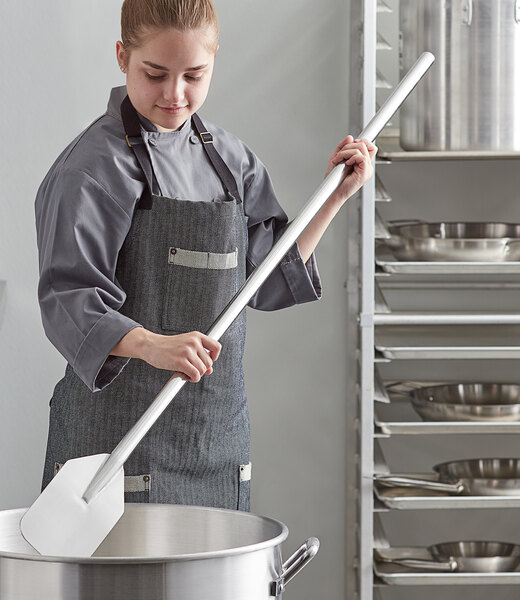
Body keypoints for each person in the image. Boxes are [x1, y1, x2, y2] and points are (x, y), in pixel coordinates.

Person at [34, 0, 376, 511]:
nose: (175, 94)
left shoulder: (231, 162)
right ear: (123, 57)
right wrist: (153, 345)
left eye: (194, 75)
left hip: (214, 450)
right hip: (112, 452)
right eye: (156, 74)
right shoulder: (89, 171)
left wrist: (335, 197)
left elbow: (266, 276)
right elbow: (69, 297)